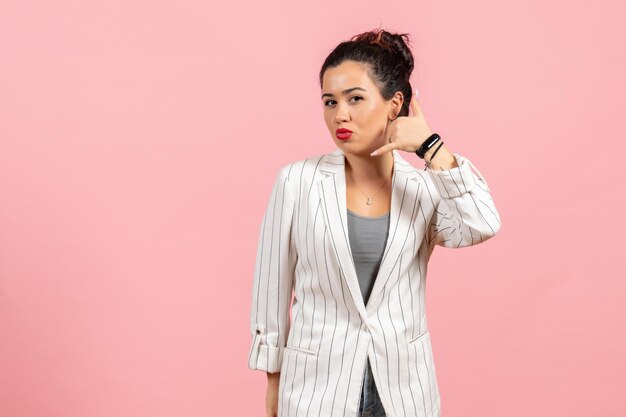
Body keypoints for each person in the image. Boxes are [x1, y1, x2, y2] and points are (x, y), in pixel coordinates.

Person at [247, 29, 502, 417]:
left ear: (394, 104)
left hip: (403, 389)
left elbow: (481, 223)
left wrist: (432, 148)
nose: (340, 115)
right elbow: (272, 287)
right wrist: (273, 381)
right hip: (316, 388)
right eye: (329, 101)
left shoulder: (424, 187)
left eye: (355, 99)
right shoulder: (296, 182)